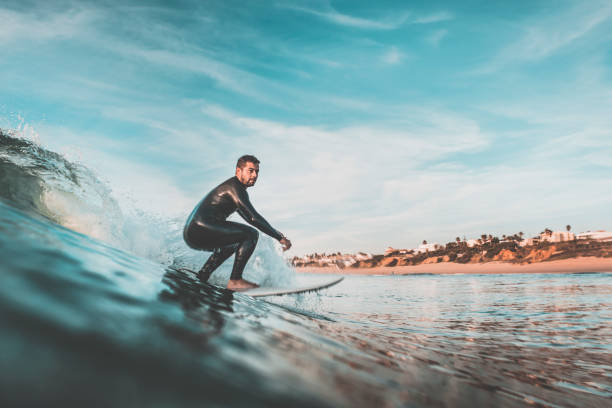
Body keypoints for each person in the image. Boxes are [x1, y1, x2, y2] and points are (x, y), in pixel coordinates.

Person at [183, 155, 292, 291]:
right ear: (238, 171)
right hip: (199, 228)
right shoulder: (235, 188)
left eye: (257, 171)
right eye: (250, 170)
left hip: (193, 232)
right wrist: (279, 237)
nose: (255, 175)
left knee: (232, 243)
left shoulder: (235, 190)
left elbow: (248, 216)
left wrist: (275, 231)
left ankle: (203, 275)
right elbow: (253, 218)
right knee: (250, 234)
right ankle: (235, 280)